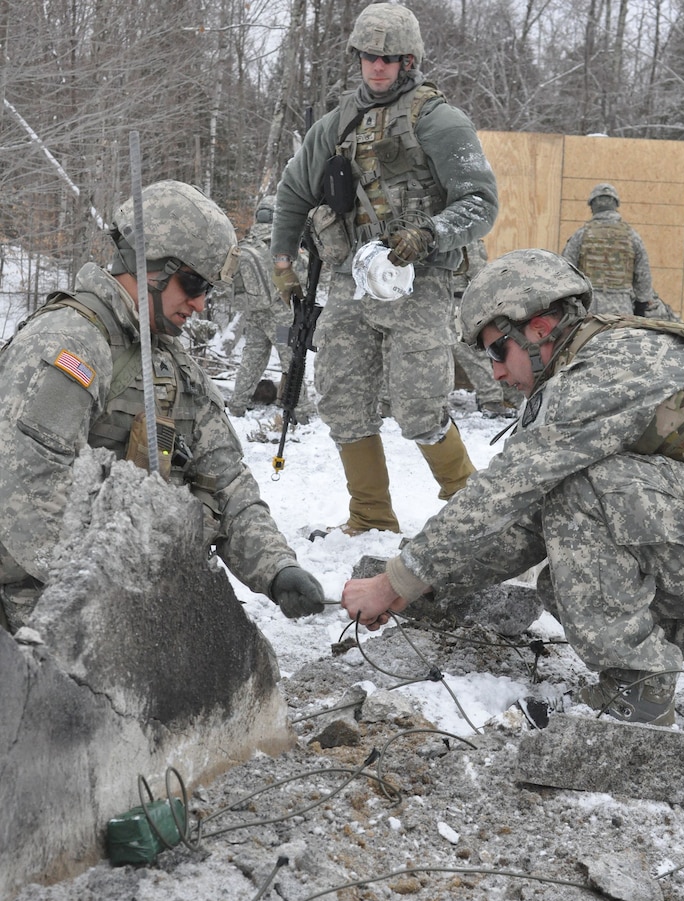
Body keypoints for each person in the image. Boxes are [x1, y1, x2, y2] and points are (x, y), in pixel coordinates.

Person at [342, 247, 684, 726]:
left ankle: (639, 691)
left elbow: (509, 486)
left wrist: (398, 577)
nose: (496, 372)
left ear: (540, 326)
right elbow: (520, 523)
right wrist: (416, 587)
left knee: (586, 489)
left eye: (498, 350)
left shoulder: (620, 362)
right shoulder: (574, 375)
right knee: (569, 579)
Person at [0, 180, 325, 633]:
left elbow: (224, 479)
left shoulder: (173, 364)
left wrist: (275, 569)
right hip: (46, 604)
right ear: (148, 265)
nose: (199, 303)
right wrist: (129, 590)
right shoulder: (68, 344)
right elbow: (29, 499)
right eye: (191, 283)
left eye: (208, 289)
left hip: (134, 589)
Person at [270, 2, 499, 535]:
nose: (377, 67)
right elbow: (292, 196)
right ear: (358, 58)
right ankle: (370, 515)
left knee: (420, 407)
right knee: (343, 399)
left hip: (419, 281)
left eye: (389, 58)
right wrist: (283, 262)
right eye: (370, 57)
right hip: (352, 280)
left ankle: (473, 515)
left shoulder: (440, 121)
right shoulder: (333, 127)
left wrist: (429, 234)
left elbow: (480, 203)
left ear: (410, 60)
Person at [227, 194, 312, 423]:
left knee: (251, 359)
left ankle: (236, 406)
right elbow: (302, 275)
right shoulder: (279, 242)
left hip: (255, 313)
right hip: (280, 315)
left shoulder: (247, 242)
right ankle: (302, 411)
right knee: (290, 360)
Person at [450, 236, 520, 418]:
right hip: (457, 302)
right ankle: (491, 401)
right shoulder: (465, 233)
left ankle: (388, 402)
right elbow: (478, 274)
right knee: (473, 352)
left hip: (430, 302)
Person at [562, 183, 653, 316]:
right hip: (622, 309)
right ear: (616, 205)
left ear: (592, 205)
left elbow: (566, 270)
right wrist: (641, 306)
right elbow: (643, 275)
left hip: (588, 307)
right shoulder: (632, 236)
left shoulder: (581, 235)